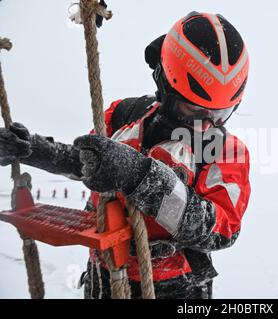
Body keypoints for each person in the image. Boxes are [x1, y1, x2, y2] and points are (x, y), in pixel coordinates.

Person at [0, 12, 250, 299]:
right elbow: (88, 162)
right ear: (165, 83)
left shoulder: (227, 151)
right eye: (194, 110)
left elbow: (219, 230)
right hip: (104, 275)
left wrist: (140, 176)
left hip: (177, 289)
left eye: (220, 114)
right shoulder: (123, 116)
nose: (207, 124)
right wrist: (36, 150)